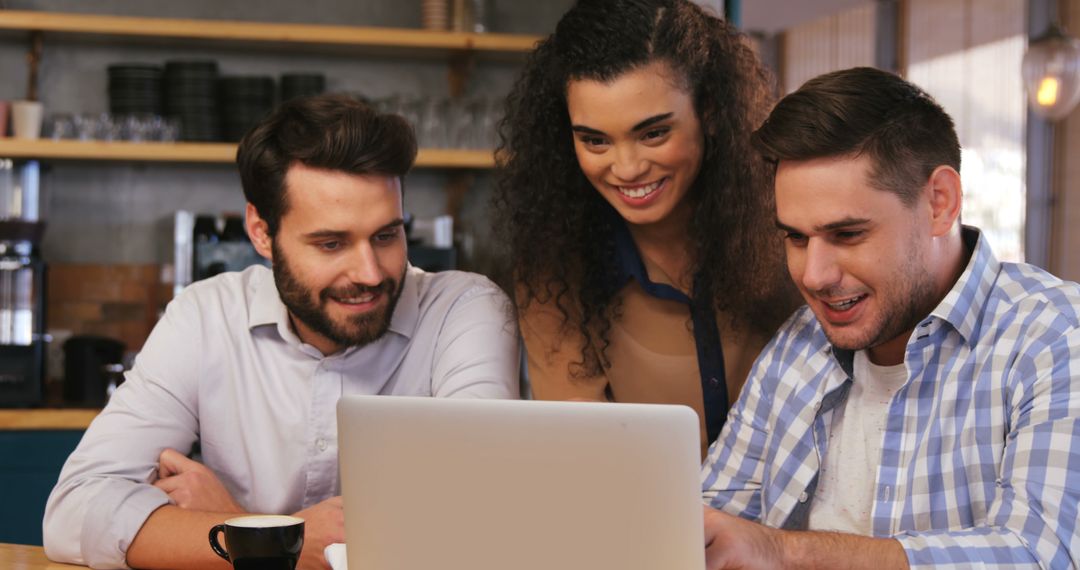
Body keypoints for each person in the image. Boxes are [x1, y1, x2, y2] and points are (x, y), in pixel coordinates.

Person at [43, 94, 520, 570]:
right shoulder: (205, 317)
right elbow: (73, 514)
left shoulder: (465, 311)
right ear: (261, 232)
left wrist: (244, 525)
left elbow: (480, 525)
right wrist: (287, 541)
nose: (371, 273)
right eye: (331, 243)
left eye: (386, 235)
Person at [700, 66, 1080, 569]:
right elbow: (713, 521)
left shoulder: (1055, 337)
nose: (813, 275)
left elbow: (1040, 554)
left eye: (848, 234)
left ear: (939, 204)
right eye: (795, 237)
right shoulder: (799, 343)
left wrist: (781, 551)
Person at [494, 0, 798, 457]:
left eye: (654, 133)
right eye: (594, 140)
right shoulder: (554, 273)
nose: (627, 168)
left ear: (710, 112)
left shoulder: (790, 230)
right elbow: (585, 456)